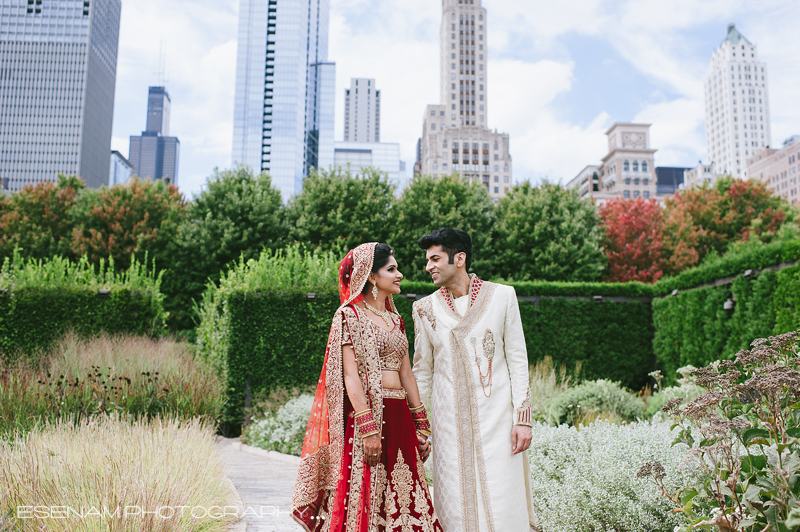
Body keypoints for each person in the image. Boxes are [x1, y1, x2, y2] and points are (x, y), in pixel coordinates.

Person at [292, 242, 443, 532]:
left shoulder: (395, 319)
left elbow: (407, 374)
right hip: (369, 420)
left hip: (400, 417)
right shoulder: (348, 316)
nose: (399, 275)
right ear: (371, 277)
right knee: (365, 497)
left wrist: (422, 425)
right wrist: (368, 429)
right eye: (392, 269)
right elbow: (350, 377)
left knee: (408, 495)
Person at [411, 228, 538, 532]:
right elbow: (422, 371)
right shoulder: (424, 309)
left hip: (498, 420)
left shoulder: (503, 296)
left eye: (435, 259)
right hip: (447, 425)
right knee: (454, 500)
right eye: (427, 260)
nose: (429, 266)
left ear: (459, 258)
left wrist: (523, 419)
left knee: (503, 496)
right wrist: (419, 426)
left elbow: (517, 359)